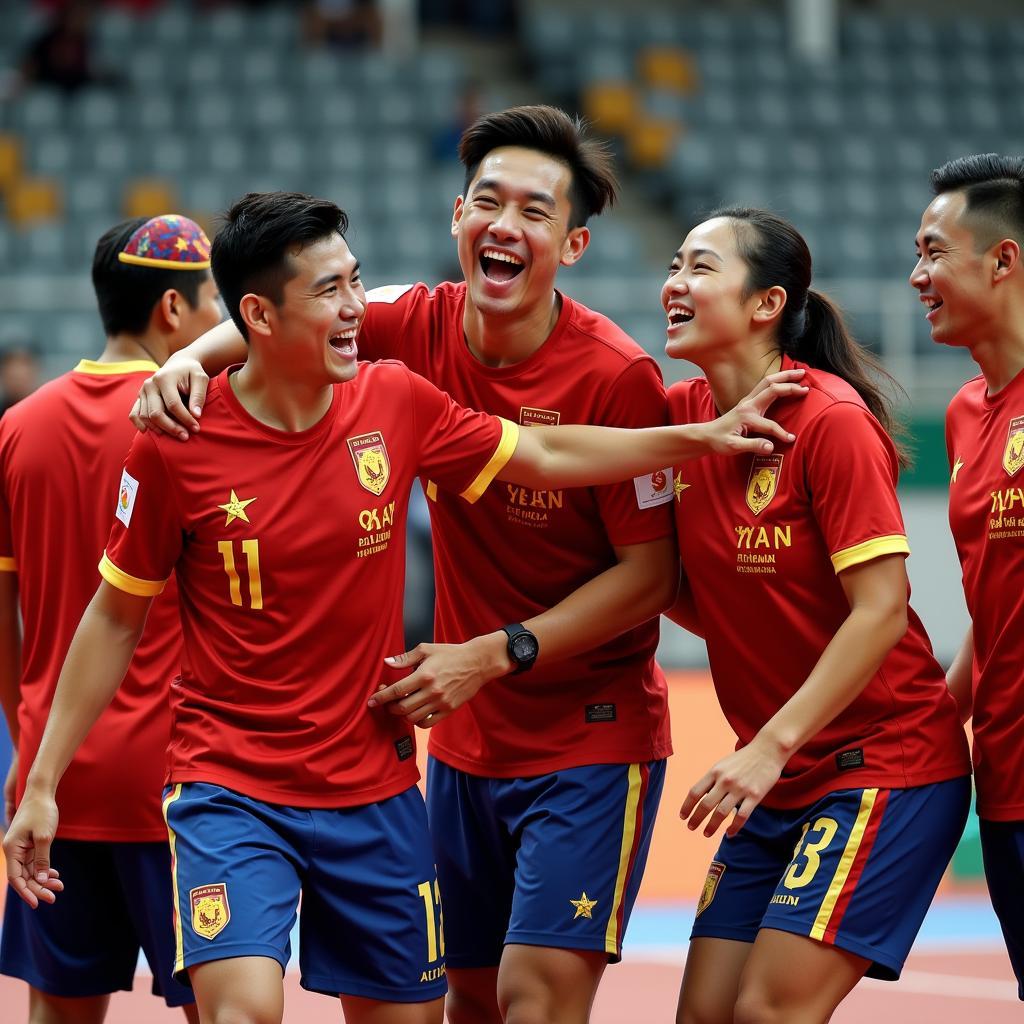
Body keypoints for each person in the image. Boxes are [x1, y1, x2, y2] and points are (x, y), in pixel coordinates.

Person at [5, 190, 801, 1024]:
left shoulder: (395, 400)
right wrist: (42, 782)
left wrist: (700, 437)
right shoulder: (178, 445)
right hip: (227, 784)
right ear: (257, 317)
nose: (357, 309)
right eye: (329, 292)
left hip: (373, 790)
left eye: (357, 282)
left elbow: (544, 450)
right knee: (239, 1011)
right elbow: (113, 616)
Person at [657, 208, 972, 1024]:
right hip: (778, 778)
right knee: (704, 1016)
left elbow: (880, 610)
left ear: (765, 304)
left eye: (698, 267)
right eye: (672, 265)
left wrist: (767, 745)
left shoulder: (829, 421)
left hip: (881, 767)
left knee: (767, 1011)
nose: (673, 285)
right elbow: (699, 597)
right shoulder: (682, 420)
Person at [0, 213, 222, 1024]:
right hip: (183, 786)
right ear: (172, 309)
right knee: (219, 1009)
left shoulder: (16, 430)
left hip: (53, 788)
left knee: (58, 1015)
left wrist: (36, 740)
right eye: (213, 303)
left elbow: (8, 623)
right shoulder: (203, 424)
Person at [911, 153, 1024, 1001]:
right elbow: (995, 599)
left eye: (933, 251)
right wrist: (933, 720)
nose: (917, 276)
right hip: (1006, 781)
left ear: (1003, 260)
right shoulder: (963, 413)